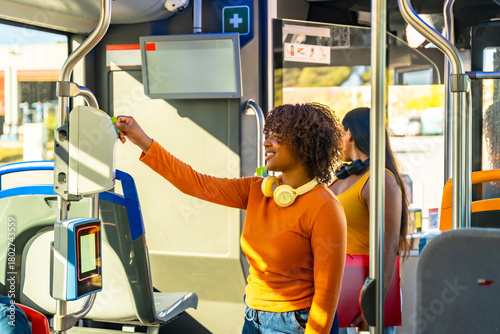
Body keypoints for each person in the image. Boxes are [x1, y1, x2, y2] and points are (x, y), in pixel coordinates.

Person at [115, 103, 347, 334]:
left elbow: (326, 297)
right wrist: (142, 140)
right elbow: (195, 183)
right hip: (252, 316)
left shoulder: (325, 208)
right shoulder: (256, 189)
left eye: (278, 136)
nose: (266, 142)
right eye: (268, 135)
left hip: (296, 323)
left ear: (304, 144)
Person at [329, 107, 409, 334]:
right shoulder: (343, 177)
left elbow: (388, 246)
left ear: (350, 133)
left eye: (339, 133)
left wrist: (373, 304)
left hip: (366, 291)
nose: (338, 141)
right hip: (338, 289)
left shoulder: (380, 179)